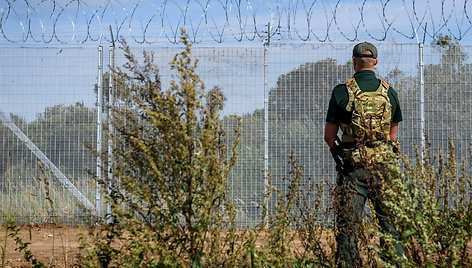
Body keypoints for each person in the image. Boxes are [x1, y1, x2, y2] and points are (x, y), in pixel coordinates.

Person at [324, 42, 405, 267]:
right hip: (384, 169)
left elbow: (329, 136)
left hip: (353, 169)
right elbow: (393, 134)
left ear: (354, 61)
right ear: (376, 62)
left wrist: (340, 154)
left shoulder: (342, 91)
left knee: (348, 226)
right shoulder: (390, 91)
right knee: (390, 225)